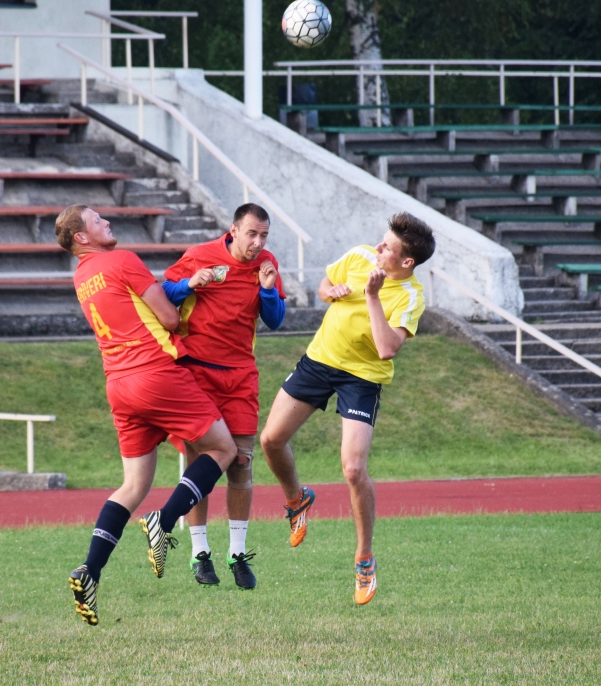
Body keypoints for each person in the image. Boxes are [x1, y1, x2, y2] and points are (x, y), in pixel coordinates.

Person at [56, 204, 239, 627]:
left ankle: (90, 570)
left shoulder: (81, 276)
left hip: (119, 385)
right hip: (155, 373)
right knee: (224, 448)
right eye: (98, 221)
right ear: (81, 237)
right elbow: (169, 318)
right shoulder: (122, 260)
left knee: (133, 484)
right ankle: (164, 519)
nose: (107, 222)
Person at [259, 212, 435, 606]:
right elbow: (324, 284)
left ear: (406, 262)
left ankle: (364, 558)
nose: (378, 248)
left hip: (363, 377)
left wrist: (372, 295)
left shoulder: (411, 296)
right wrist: (330, 291)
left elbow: (387, 348)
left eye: (387, 247)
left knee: (353, 469)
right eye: (382, 240)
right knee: (270, 440)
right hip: (320, 360)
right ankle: (296, 498)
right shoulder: (359, 256)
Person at [162, 203, 286, 589]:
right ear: (233, 229)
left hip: (240, 376)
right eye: (252, 233)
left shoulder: (266, 264)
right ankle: (200, 554)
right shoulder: (200, 256)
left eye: (264, 235)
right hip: (197, 372)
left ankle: (237, 554)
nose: (258, 242)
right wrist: (189, 284)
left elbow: (277, 319)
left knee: (242, 463)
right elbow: (161, 292)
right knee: (201, 462)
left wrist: (267, 291)